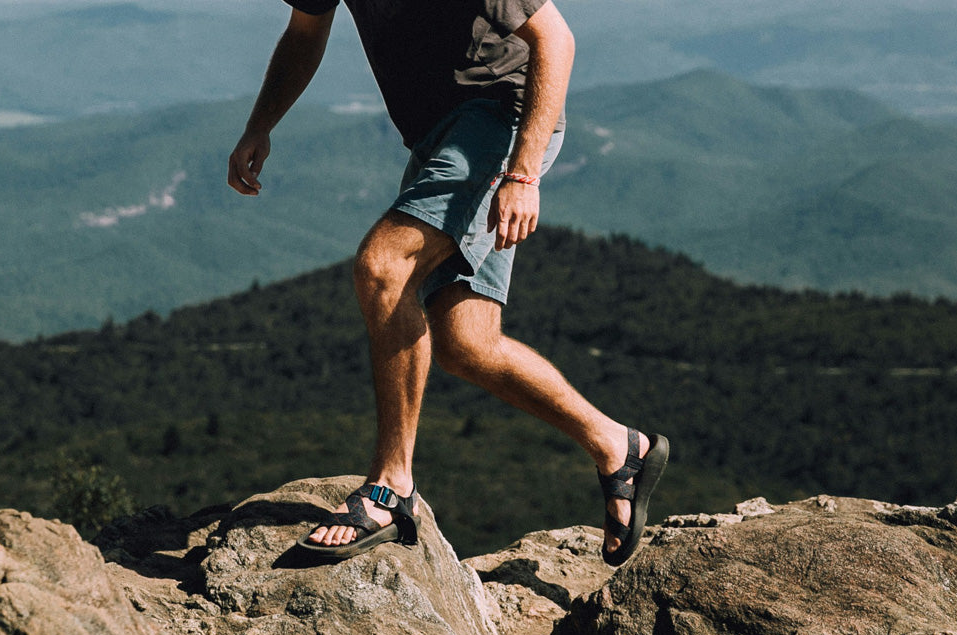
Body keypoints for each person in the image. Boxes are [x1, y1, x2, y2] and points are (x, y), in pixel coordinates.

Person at [228, 0, 667, 566]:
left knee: (384, 268)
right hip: (441, 137)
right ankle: (619, 446)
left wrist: (523, 174)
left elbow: (556, 40)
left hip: (501, 119)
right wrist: (260, 125)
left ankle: (392, 488)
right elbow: (304, 33)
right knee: (467, 345)